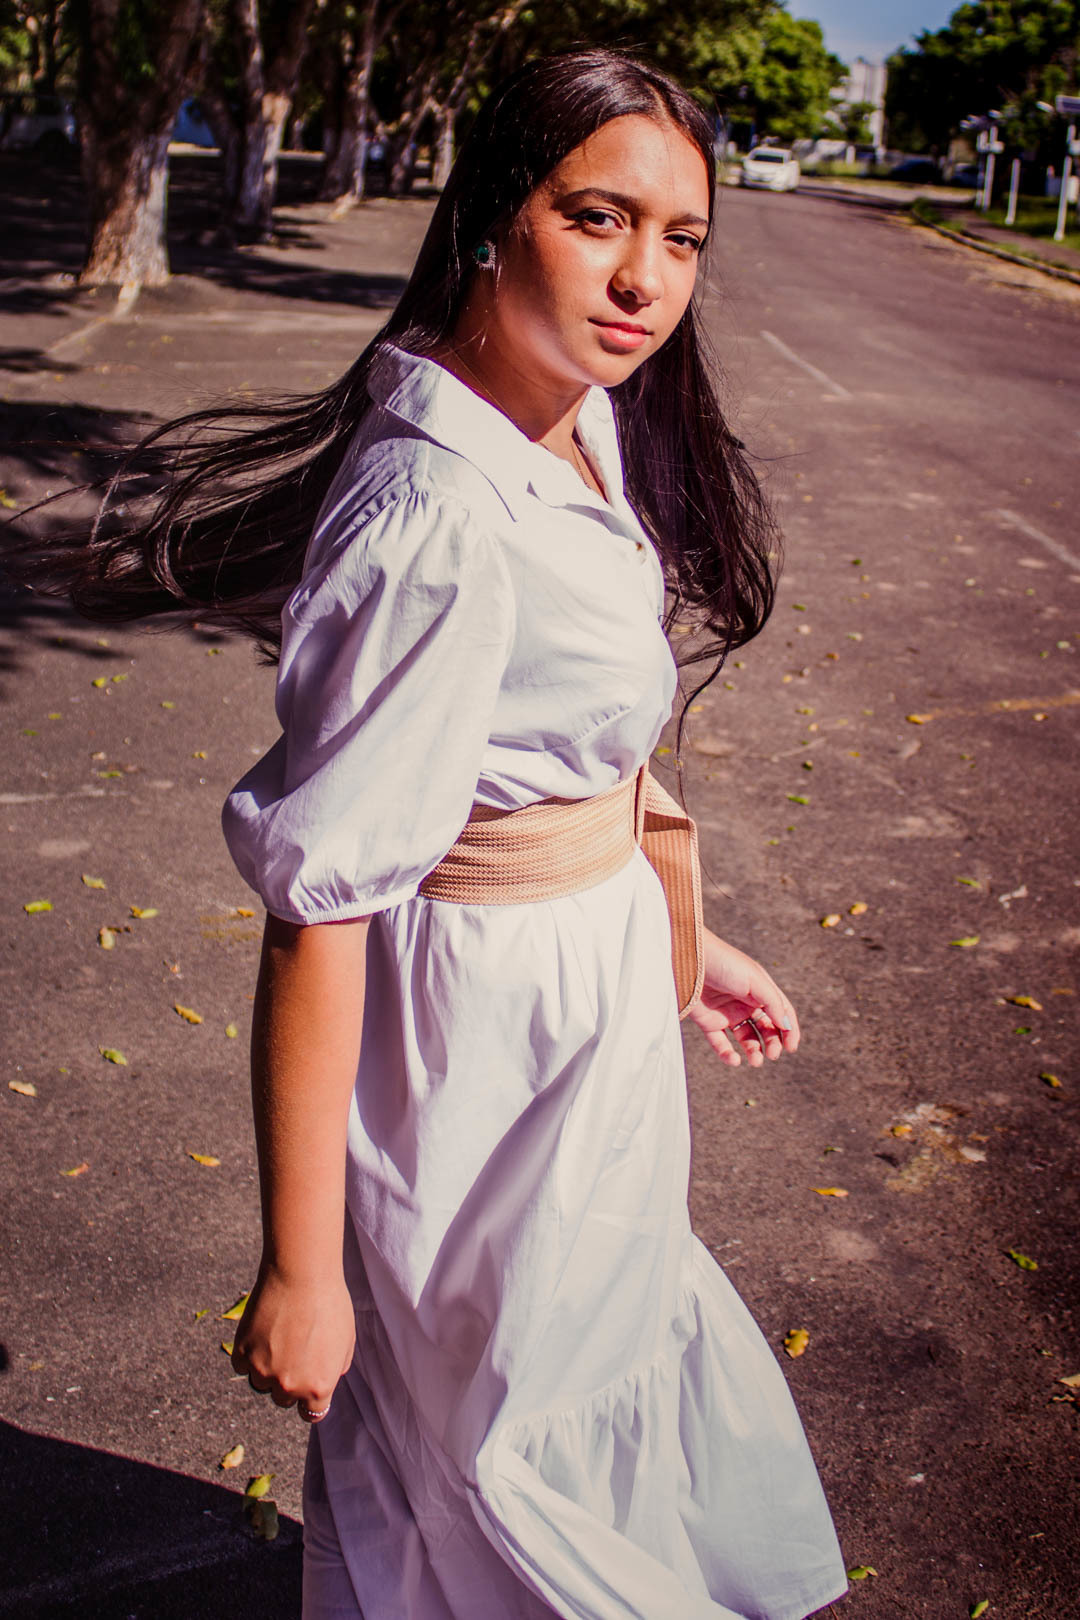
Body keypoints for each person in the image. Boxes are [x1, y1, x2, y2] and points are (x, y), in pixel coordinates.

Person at [10, 47, 847, 1620]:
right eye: (598, 217)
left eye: (682, 237)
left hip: (587, 1014)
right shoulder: (435, 520)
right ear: (489, 215)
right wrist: (301, 1266)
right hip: (486, 1056)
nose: (647, 279)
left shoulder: (575, 419)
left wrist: (686, 944)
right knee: (502, 1453)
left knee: (549, 1404)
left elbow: (536, 769)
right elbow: (323, 904)